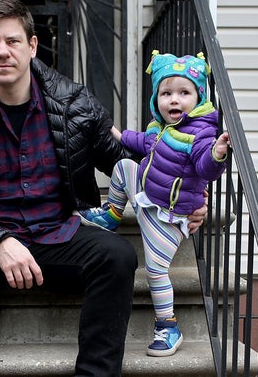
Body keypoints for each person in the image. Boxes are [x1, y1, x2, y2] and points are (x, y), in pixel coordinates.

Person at [0, 0, 208, 376]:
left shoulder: (73, 102)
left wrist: (184, 195)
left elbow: (122, 160)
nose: (3, 52)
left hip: (55, 235)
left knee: (117, 257)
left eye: (13, 41)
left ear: (32, 46)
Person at [77, 50, 229, 357]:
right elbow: (138, 142)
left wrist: (217, 154)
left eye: (184, 93)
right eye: (166, 93)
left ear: (198, 98)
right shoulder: (159, 128)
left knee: (156, 271)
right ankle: (111, 214)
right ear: (156, 98)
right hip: (149, 197)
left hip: (170, 217)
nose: (174, 100)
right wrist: (115, 132)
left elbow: (204, 167)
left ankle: (168, 326)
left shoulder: (200, 135)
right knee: (123, 167)